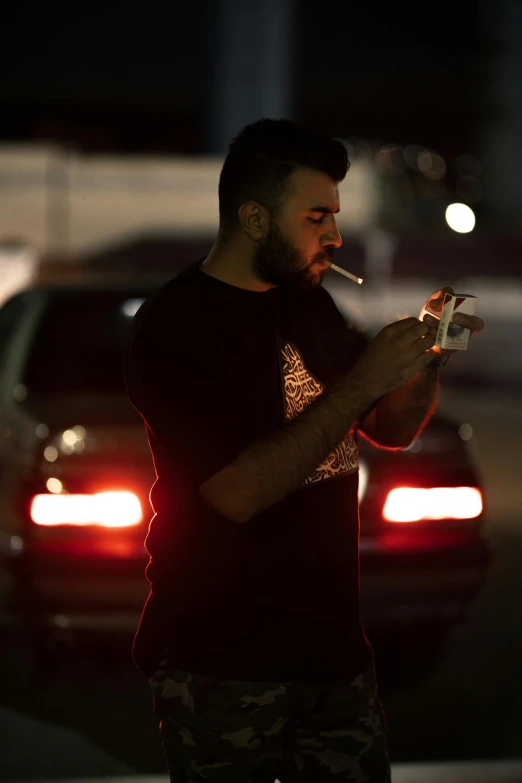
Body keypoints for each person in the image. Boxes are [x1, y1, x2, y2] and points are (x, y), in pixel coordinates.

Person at [125, 118, 484, 782]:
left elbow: (390, 427)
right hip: (220, 658)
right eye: (316, 216)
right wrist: (363, 380)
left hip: (333, 655)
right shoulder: (177, 325)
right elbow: (235, 492)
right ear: (255, 218)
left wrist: (428, 357)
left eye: (335, 216)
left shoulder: (309, 307)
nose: (336, 236)